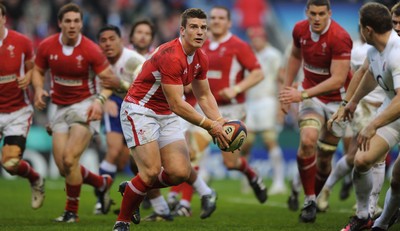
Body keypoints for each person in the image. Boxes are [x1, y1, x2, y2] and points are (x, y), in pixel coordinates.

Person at [112, 8, 230, 231]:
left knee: (179, 172)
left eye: (203, 27)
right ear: (182, 30)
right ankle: (122, 221)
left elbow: (204, 95)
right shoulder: (170, 55)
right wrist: (209, 125)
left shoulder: (200, 57)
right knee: (150, 172)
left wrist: (220, 123)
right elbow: (177, 103)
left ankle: (132, 190)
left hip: (166, 113)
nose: (200, 32)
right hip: (140, 110)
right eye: (194, 27)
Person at [31, 3, 122, 222]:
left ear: (81, 23)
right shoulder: (46, 46)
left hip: (85, 105)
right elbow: (38, 70)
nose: (72, 25)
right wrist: (38, 89)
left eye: (76, 21)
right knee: (64, 167)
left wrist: (100, 101)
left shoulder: (91, 49)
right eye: (68, 21)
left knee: (70, 159)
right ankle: (101, 182)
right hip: (59, 106)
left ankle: (71, 212)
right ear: (60, 23)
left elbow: (109, 82)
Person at [279, 0, 352, 223]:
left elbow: (338, 79)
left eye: (322, 13)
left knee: (324, 158)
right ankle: (310, 199)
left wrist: (300, 95)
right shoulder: (300, 29)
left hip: (338, 102)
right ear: (307, 13)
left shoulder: (340, 37)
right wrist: (287, 87)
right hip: (311, 96)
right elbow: (294, 56)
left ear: (329, 13)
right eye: (313, 13)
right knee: (308, 140)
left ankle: (309, 191)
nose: (317, 18)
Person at [336, 3, 400, 230]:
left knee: (398, 179)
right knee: (362, 160)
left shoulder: (397, 52)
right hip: (393, 111)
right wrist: (351, 102)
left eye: (361, 27)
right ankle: (364, 216)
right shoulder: (374, 50)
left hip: (395, 107)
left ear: (368, 30)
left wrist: (372, 124)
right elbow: (371, 75)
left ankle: (380, 224)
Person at [317, 27, 386, 218]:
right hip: (366, 107)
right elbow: (355, 77)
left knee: (355, 155)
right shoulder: (362, 51)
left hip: (386, 109)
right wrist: (348, 104)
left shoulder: (389, 48)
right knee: (370, 157)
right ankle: (370, 205)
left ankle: (327, 189)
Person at [202, 6, 266, 204]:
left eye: (221, 18)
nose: (216, 21)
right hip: (204, 107)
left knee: (230, 163)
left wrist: (236, 89)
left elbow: (258, 73)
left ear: (229, 23)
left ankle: (252, 175)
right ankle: (183, 203)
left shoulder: (238, 45)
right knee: (192, 152)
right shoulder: (201, 45)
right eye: (212, 17)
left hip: (232, 109)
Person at [93, 24, 146, 215]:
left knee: (129, 160)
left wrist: (119, 85)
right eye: (103, 40)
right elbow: (92, 86)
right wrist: (102, 99)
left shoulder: (134, 60)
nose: (108, 44)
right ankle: (101, 198)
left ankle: (142, 198)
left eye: (112, 39)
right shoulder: (97, 61)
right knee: (113, 150)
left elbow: (143, 90)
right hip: (116, 104)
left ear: (121, 40)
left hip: (139, 109)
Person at [0, 3, 45, 210]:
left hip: (17, 111)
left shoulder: (21, 42)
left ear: (3, 18)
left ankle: (35, 179)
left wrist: (29, 78)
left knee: (10, 164)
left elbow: (33, 68)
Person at [240, 26, 286, 195]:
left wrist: (281, 105)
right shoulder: (248, 54)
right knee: (246, 143)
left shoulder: (273, 55)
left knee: (269, 140)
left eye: (257, 37)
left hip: (267, 101)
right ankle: (248, 178)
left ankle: (279, 181)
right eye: (252, 37)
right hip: (250, 102)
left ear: (264, 38)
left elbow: (281, 79)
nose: (255, 41)